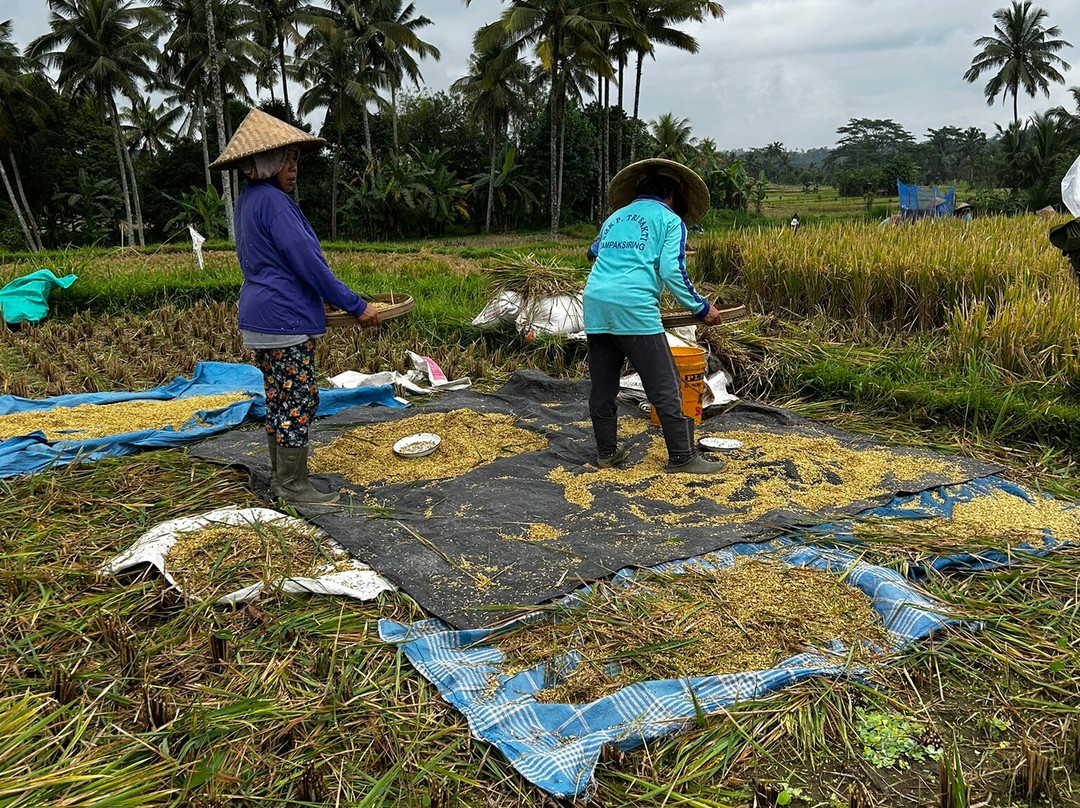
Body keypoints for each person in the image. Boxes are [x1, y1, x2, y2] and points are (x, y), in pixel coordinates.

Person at [210, 109, 379, 505]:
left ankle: (281, 477)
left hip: (260, 318)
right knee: (299, 400)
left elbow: (278, 262)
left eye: (295, 159)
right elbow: (308, 263)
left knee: (279, 398)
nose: (293, 168)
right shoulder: (275, 202)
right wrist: (355, 305)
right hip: (283, 320)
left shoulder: (248, 200)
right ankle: (292, 487)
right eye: (286, 160)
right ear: (267, 162)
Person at [584, 158, 728, 475]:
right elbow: (672, 270)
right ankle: (682, 457)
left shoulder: (615, 218)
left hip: (595, 305)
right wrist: (702, 308)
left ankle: (606, 453)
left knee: (603, 387)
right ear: (672, 196)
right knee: (665, 384)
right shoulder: (670, 220)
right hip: (634, 307)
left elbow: (593, 252)